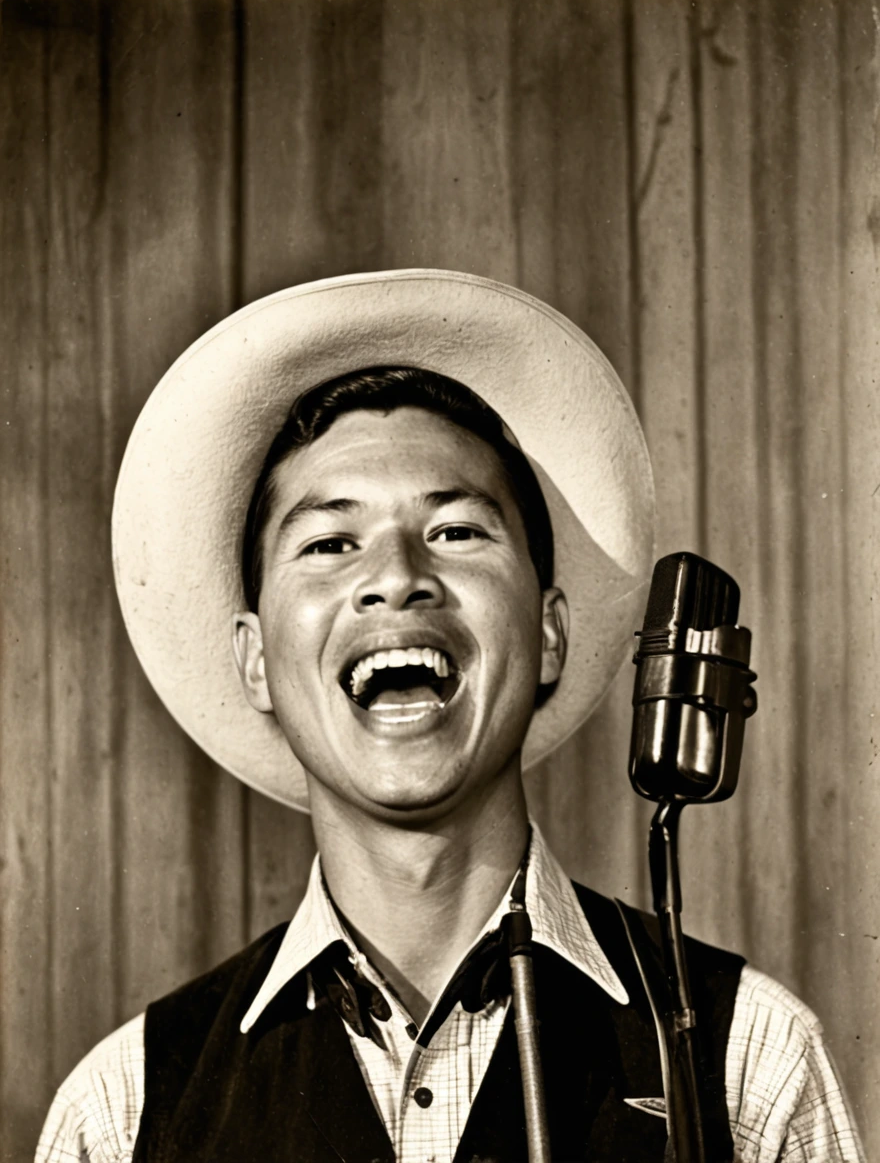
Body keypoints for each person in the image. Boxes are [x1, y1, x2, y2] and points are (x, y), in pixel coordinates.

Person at [36, 271, 864, 1162]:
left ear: (549, 633)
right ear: (255, 659)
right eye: (329, 543)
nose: (396, 576)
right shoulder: (121, 1114)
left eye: (456, 532)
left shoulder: (753, 1066)